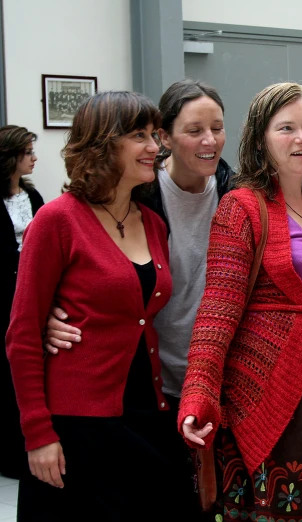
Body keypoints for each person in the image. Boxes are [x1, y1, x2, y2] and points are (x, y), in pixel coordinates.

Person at [43, 79, 235, 519]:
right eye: (193, 130)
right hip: (145, 387)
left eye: (218, 127)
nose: (209, 141)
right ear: (166, 137)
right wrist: (48, 316)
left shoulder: (236, 196)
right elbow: (71, 275)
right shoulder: (140, 196)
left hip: (214, 383)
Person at [178, 82, 302, 521]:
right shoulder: (240, 208)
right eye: (286, 128)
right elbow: (216, 314)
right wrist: (198, 395)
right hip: (263, 391)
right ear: (261, 138)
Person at [6, 91, 178, 521]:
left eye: (155, 135)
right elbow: (23, 334)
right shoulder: (58, 220)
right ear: (103, 144)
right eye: (140, 136)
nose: (155, 147)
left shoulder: (153, 223)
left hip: (145, 410)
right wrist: (38, 435)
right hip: (77, 425)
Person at [0, 125, 42, 480]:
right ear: (11, 157)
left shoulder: (34, 196)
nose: (34, 158)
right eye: (28, 152)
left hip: (28, 291)